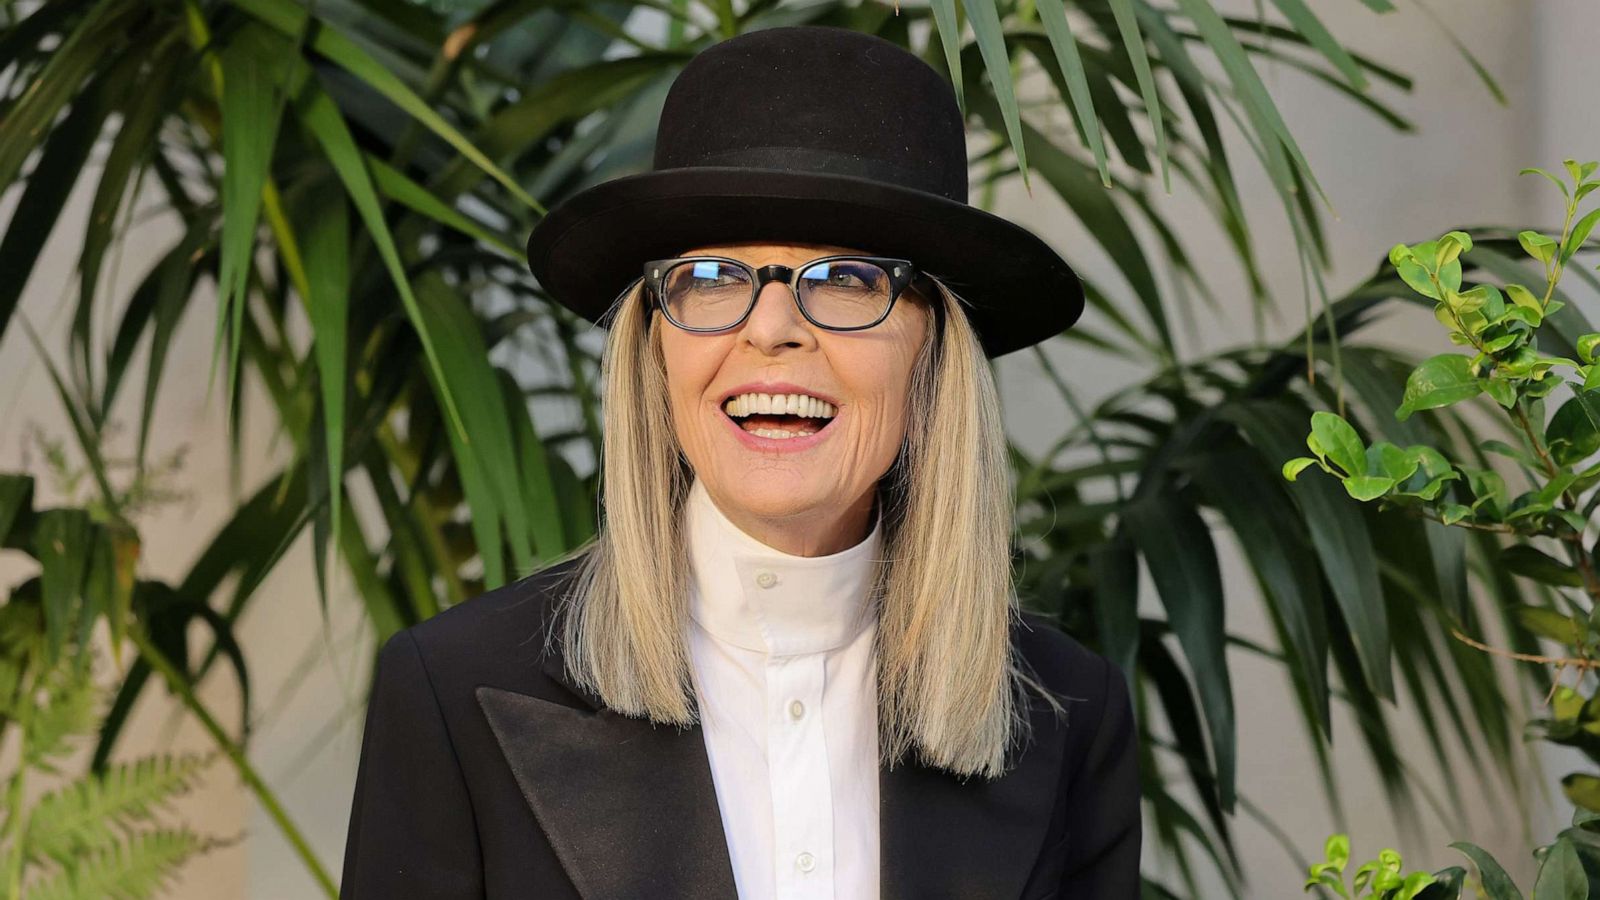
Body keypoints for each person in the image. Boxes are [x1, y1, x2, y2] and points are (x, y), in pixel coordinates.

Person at [339, 24, 1141, 900]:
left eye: (845, 277)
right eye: (715, 275)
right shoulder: (453, 692)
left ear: (934, 349)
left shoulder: (1070, 715)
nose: (768, 329)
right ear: (655, 346)